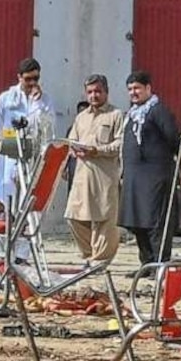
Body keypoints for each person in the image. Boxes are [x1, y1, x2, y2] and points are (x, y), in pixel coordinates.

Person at [119, 69, 181, 265]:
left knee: (155, 223)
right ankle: (146, 264)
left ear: (148, 88)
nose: (133, 92)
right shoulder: (132, 114)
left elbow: (175, 140)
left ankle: (160, 263)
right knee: (138, 222)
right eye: (130, 89)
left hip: (155, 177)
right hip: (134, 178)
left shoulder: (158, 111)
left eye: (137, 88)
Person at [64, 75, 129, 265]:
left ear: (106, 92)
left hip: (105, 176)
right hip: (82, 175)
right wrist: (73, 151)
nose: (94, 95)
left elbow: (120, 144)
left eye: (98, 91)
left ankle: (101, 260)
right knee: (74, 217)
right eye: (90, 92)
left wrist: (97, 151)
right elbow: (71, 141)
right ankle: (89, 253)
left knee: (105, 220)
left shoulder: (116, 115)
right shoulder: (81, 117)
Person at [0, 58, 52, 205]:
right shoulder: (5, 98)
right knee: (5, 196)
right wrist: (10, 140)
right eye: (28, 79)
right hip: (10, 155)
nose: (32, 83)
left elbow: (49, 128)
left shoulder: (45, 100)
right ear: (19, 77)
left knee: (29, 199)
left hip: (33, 156)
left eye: (36, 78)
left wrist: (38, 103)